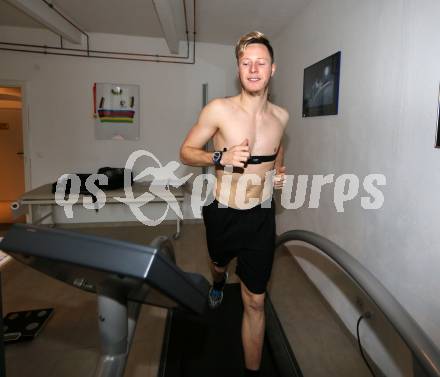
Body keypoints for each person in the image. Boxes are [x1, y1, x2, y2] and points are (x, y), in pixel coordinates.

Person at [180, 31, 289, 376]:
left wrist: (277, 173)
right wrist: (219, 155)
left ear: (273, 69)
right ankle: (216, 282)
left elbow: (276, 152)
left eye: (261, 63)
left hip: (260, 216)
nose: (253, 69)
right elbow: (186, 152)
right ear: (238, 69)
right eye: (246, 63)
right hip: (224, 210)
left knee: (255, 300)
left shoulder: (282, 117)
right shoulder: (219, 109)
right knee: (218, 264)